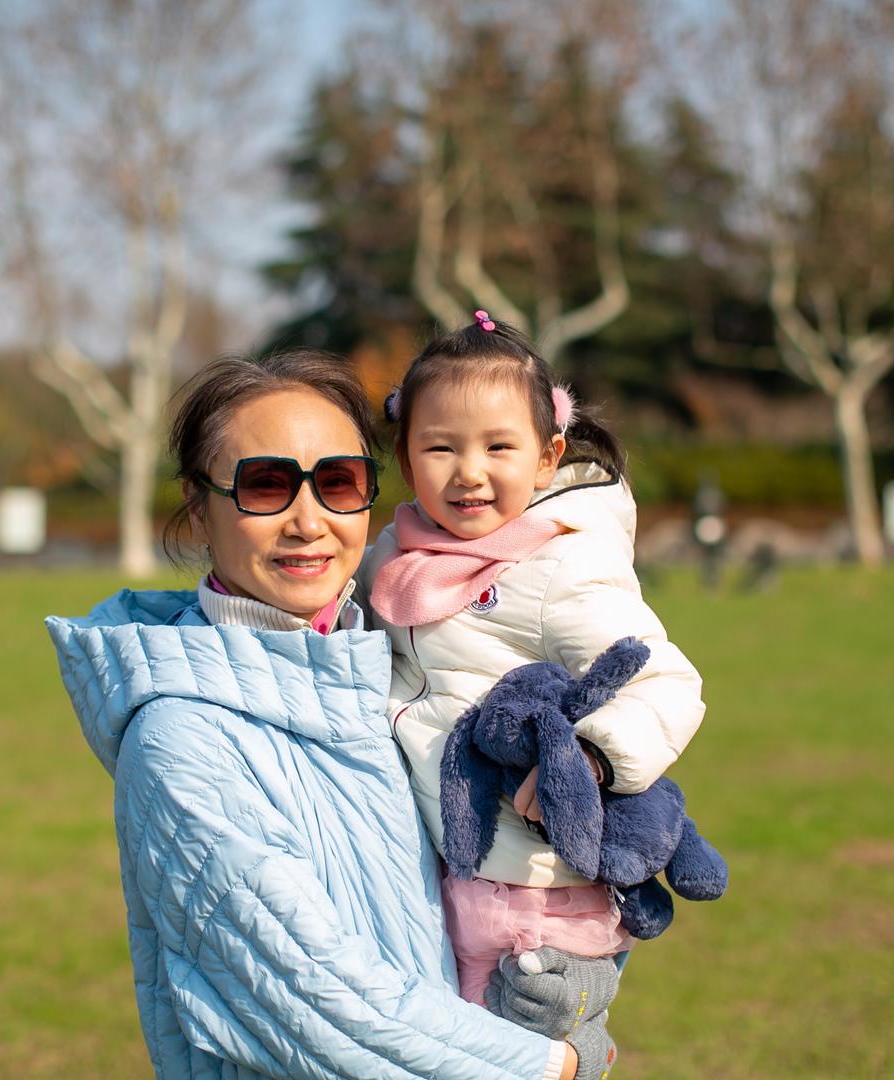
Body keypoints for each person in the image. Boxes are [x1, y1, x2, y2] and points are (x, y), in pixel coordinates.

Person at [47, 350, 608, 1080]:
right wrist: (554, 1065)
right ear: (199, 502)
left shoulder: (395, 663)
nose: (309, 521)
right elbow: (326, 1007)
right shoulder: (181, 743)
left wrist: (566, 975)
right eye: (267, 485)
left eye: (339, 482)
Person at [361, 314, 708, 1059]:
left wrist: (590, 758)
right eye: (440, 447)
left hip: (542, 899)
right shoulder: (393, 559)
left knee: (504, 1058)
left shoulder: (559, 567)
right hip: (451, 881)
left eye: (498, 447)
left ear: (548, 456)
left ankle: (585, 1032)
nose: (469, 472)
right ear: (404, 453)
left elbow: (668, 682)